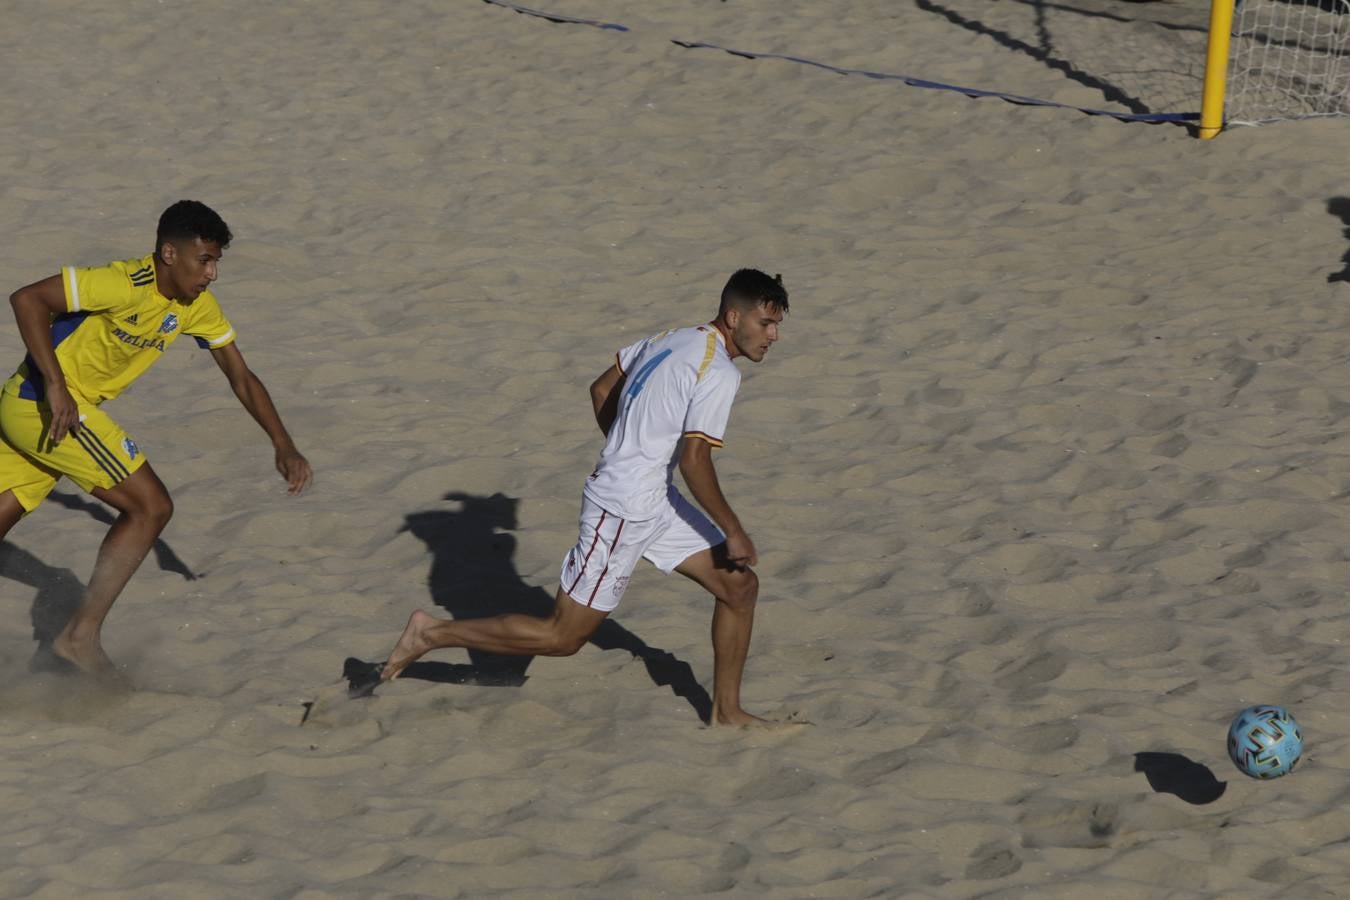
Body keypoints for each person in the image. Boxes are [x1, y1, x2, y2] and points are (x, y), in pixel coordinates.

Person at [376, 268, 788, 726]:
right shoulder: (719, 373)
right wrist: (733, 530)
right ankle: (430, 634)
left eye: (777, 326)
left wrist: (626, 450)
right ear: (733, 318)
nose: (773, 336)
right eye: (765, 324)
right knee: (563, 638)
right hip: (624, 508)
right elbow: (695, 462)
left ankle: (727, 712)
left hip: (652, 498)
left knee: (739, 587)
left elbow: (600, 387)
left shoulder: (673, 337)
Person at [1, 200, 312, 677]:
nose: (212, 274)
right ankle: (78, 639)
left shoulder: (196, 308)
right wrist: (58, 385)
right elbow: (26, 299)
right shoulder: (122, 282)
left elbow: (241, 376)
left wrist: (283, 443)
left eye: (216, 262)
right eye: (204, 260)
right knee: (151, 507)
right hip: (47, 407)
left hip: (35, 410)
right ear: (170, 254)